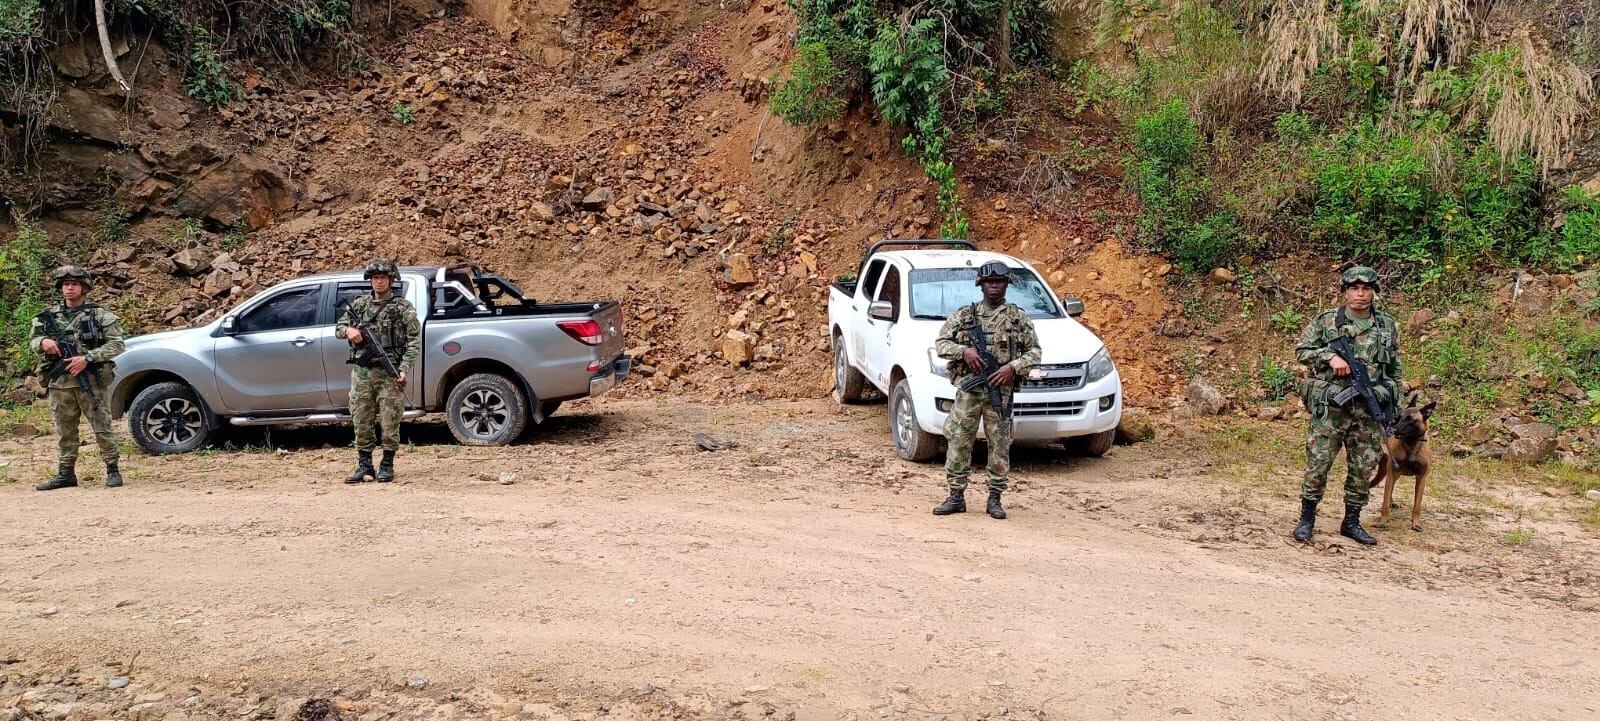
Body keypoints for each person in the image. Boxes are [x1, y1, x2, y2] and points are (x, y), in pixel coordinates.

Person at [1292, 266, 1402, 545]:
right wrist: (1329, 357)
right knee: (1319, 463)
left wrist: (1390, 398)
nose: (1360, 294)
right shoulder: (1328, 321)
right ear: (1346, 291)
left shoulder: (1387, 325)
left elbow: (1394, 369)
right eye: (1354, 288)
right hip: (1332, 410)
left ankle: (1351, 521)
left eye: (1366, 289)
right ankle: (1307, 519)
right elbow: (1302, 351)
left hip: (1367, 411)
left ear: (1374, 292)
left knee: (1363, 468)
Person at [931, 260, 1042, 520]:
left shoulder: (1017, 318)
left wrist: (1012, 368)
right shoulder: (965, 316)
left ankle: (995, 497)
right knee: (959, 439)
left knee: (1000, 444)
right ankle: (956, 495)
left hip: (999, 392)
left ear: (1006, 284)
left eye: (1000, 282)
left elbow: (1034, 352)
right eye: (989, 282)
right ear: (981, 285)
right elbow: (941, 343)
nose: (994, 286)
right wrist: (964, 351)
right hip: (969, 391)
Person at [29, 265, 127, 491]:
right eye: (65, 285)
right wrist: (43, 343)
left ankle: (112, 469)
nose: (69, 288)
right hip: (60, 382)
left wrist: (89, 357)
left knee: (102, 426)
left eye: (74, 284)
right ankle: (66, 473)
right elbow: (34, 341)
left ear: (84, 288)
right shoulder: (47, 317)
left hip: (89, 380)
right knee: (65, 430)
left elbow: (117, 343)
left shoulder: (99, 314)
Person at [335, 260, 421, 484]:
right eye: (375, 277)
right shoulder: (360, 304)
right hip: (363, 372)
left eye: (383, 277)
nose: (379, 281)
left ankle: (387, 464)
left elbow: (414, 341)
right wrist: (349, 331)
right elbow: (338, 328)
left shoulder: (402, 307)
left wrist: (403, 369)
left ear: (391, 280)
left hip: (388, 372)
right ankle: (365, 465)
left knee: (390, 420)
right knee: (361, 419)